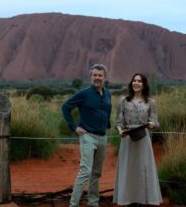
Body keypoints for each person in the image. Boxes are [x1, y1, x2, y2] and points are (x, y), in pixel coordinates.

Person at [62, 63, 112, 207]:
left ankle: (93, 203)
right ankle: (73, 204)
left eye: (100, 75)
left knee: (96, 173)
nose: (97, 78)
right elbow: (66, 107)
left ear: (104, 78)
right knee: (85, 171)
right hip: (88, 136)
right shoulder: (84, 93)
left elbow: (108, 110)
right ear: (90, 77)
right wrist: (74, 127)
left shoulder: (107, 93)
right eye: (95, 75)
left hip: (103, 137)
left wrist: (107, 125)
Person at [113, 73, 162, 206]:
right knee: (128, 168)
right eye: (134, 80)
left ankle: (142, 199)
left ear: (144, 84)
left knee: (142, 168)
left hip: (143, 138)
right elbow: (118, 122)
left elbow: (155, 122)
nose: (136, 83)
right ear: (131, 83)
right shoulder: (124, 100)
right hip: (127, 138)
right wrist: (120, 131)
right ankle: (127, 200)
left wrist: (152, 124)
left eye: (139, 81)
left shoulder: (151, 102)